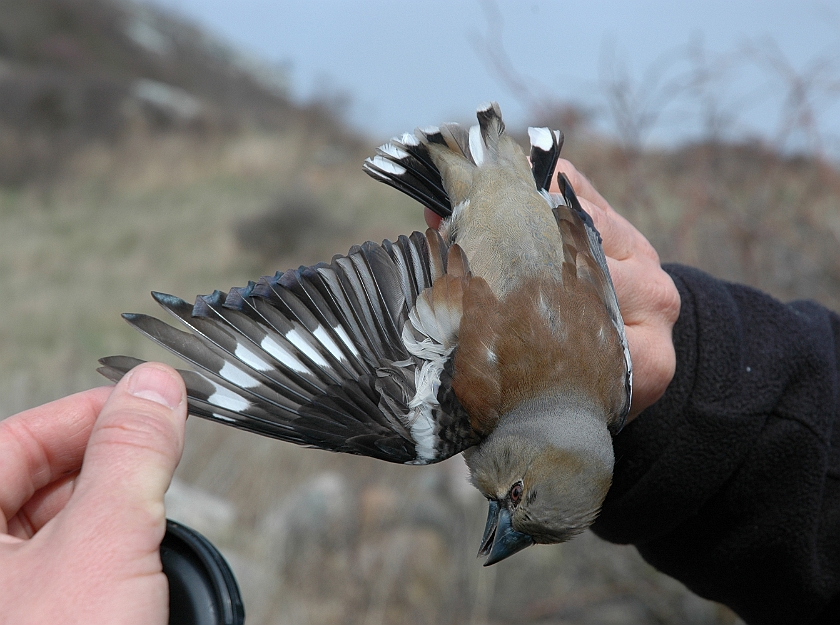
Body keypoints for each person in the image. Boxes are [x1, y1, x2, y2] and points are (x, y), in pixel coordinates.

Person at [1, 159, 837, 624]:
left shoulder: (616, 380)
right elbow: (345, 368)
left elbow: (597, 296)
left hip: (537, 201)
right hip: (484, 217)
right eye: (515, 498)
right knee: (413, 422)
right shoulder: (469, 402)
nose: (497, 513)